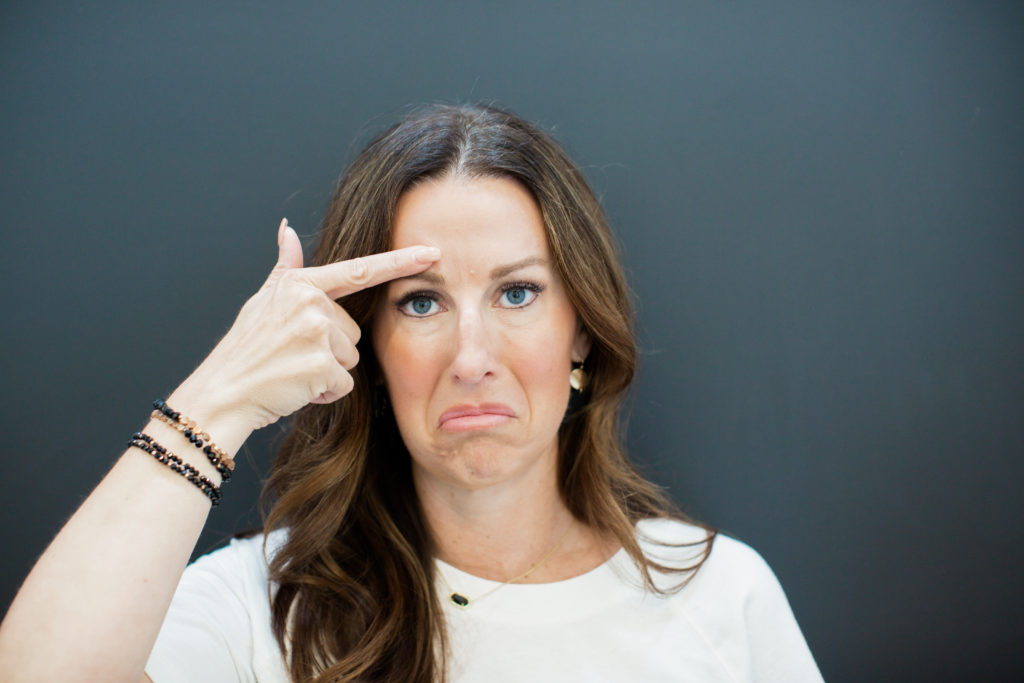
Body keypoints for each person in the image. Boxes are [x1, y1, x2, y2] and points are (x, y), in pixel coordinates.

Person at [0, 104, 823, 682]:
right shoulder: (263, 605)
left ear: (581, 330)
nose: (472, 357)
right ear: (367, 343)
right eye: (421, 302)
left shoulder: (719, 593)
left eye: (517, 292)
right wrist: (219, 398)